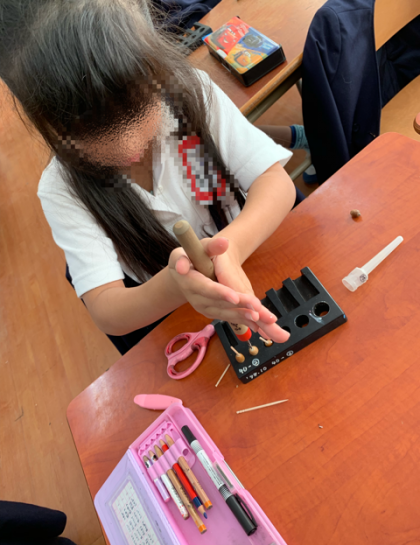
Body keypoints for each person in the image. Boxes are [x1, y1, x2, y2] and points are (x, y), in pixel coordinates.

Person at [0, 0, 301, 352]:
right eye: (94, 135)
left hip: (260, 259)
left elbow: (276, 184)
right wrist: (174, 286)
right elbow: (107, 311)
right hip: (181, 319)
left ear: (155, 68)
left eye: (139, 111)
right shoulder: (61, 188)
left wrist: (231, 248)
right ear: (51, 127)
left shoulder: (190, 94)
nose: (129, 146)